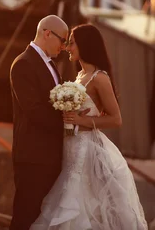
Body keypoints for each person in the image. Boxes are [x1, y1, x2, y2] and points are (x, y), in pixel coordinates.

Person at [31, 23, 147, 229]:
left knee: (81, 202)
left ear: (85, 45)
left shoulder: (99, 78)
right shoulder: (79, 76)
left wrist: (81, 121)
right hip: (70, 147)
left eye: (72, 43)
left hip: (85, 149)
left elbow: (116, 119)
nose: (67, 47)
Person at [9, 15, 69, 229]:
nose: (64, 47)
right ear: (47, 33)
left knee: (43, 219)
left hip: (50, 156)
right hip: (33, 158)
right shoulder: (23, 64)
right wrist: (69, 124)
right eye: (62, 40)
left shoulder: (51, 65)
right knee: (25, 217)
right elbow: (34, 111)